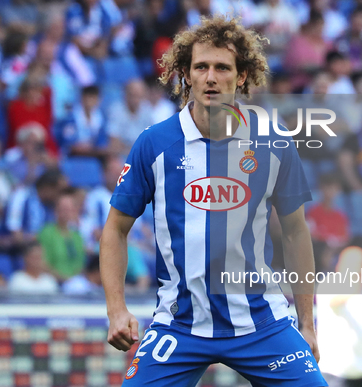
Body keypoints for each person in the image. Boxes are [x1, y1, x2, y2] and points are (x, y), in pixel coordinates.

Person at [100, 16, 327, 387]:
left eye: (222, 68)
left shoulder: (273, 143)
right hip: (180, 324)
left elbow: (296, 234)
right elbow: (115, 229)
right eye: (201, 67)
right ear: (185, 75)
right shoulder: (154, 144)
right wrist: (116, 308)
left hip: (262, 322)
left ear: (241, 76)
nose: (210, 77)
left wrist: (307, 322)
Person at [316, 245, 362, 387]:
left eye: (361, 265)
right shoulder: (328, 284)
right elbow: (335, 302)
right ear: (339, 265)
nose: (356, 270)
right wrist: (354, 285)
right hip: (333, 371)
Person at [4, 168, 65, 246]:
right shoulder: (21, 196)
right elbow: (15, 234)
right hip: (17, 250)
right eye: (60, 191)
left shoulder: (52, 206)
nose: (62, 196)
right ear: (47, 188)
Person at [38, 192, 86, 281]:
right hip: (53, 280)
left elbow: (81, 263)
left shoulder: (77, 235)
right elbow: (42, 263)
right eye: (63, 209)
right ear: (56, 210)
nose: (66, 213)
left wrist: (74, 279)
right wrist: (63, 278)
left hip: (75, 282)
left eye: (70, 209)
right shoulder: (46, 233)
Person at [306, 174, 349, 248]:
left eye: (335, 188)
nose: (331, 191)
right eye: (328, 188)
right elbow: (311, 235)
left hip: (337, 251)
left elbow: (344, 238)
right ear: (322, 189)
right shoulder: (313, 212)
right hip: (319, 250)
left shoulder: (340, 215)